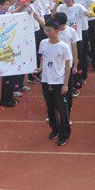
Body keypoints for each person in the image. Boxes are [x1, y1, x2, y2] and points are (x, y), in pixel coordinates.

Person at [36, 18, 72, 146]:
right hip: (46, 81)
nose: (47, 32)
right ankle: (55, 129)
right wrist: (40, 68)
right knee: (50, 108)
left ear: (57, 31)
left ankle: (64, 134)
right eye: (46, 30)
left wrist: (66, 84)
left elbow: (68, 66)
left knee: (62, 110)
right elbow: (43, 58)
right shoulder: (43, 43)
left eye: (50, 30)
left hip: (59, 81)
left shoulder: (64, 47)